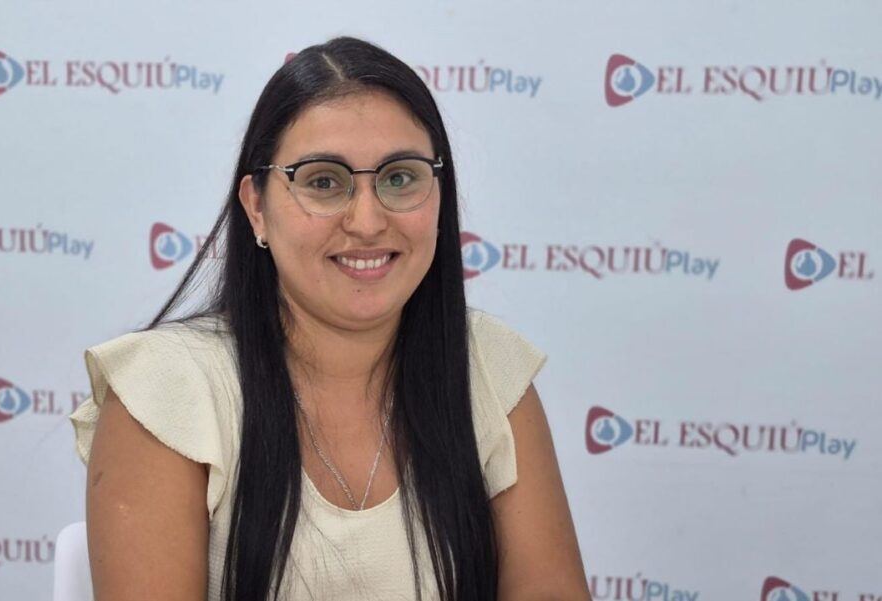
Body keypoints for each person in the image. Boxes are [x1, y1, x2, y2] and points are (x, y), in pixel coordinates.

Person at [70, 36, 589, 601]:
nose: (367, 221)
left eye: (399, 178)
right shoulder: (167, 393)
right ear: (256, 207)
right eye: (323, 181)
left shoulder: (490, 370)